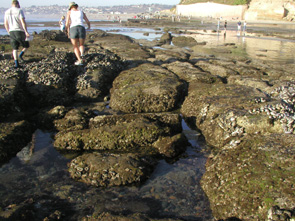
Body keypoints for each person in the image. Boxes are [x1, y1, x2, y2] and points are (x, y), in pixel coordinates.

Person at [4, 0, 30, 68]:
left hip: (12, 31)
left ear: (12, 4)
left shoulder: (7, 12)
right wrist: (26, 31)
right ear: (18, 4)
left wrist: (8, 31)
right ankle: (20, 55)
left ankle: (16, 63)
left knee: (15, 48)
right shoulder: (19, 10)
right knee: (26, 45)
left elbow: (5, 23)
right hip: (19, 30)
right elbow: (23, 21)